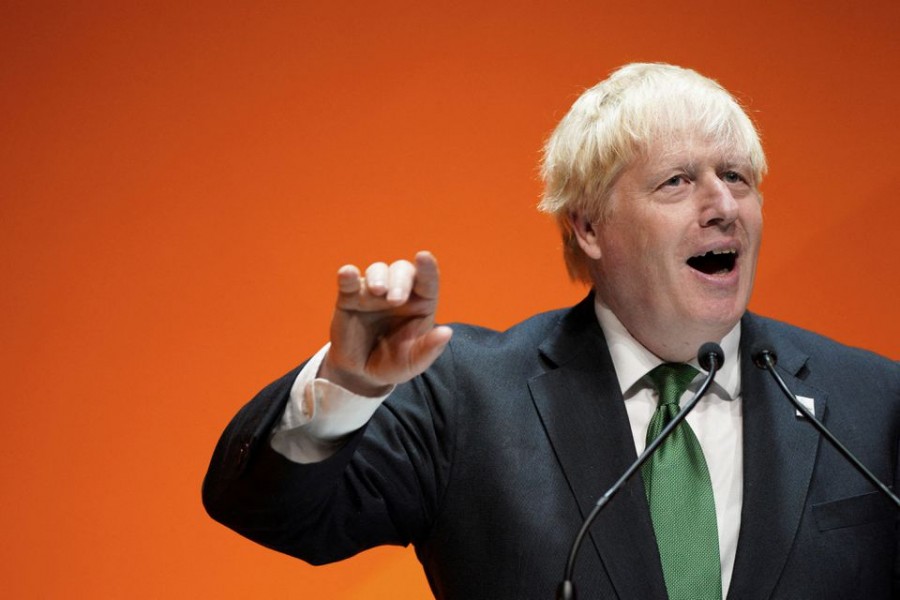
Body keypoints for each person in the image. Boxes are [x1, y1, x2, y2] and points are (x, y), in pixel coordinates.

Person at [203, 63, 899, 599]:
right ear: (589, 226)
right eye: (678, 182)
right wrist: (347, 388)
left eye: (739, 178)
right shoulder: (465, 399)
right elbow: (274, 514)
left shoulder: (874, 402)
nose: (723, 206)